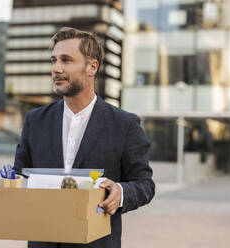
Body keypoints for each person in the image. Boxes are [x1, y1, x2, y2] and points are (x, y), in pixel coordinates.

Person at [13, 27, 155, 248]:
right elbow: (19, 175)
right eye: (54, 60)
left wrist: (120, 192)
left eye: (66, 60)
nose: (56, 68)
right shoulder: (35, 120)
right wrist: (7, 183)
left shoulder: (125, 124)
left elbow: (144, 184)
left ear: (92, 67)